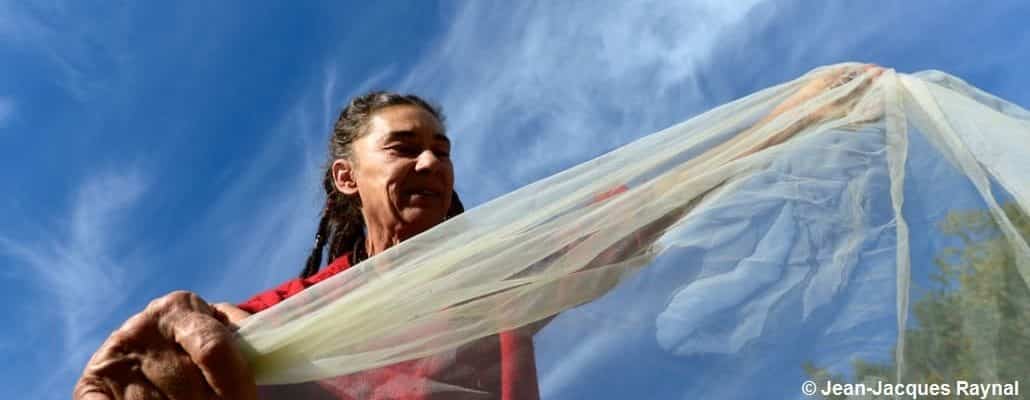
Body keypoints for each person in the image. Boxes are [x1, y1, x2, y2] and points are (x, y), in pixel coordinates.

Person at [73, 65, 884, 400]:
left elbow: (644, 209)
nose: (431, 161)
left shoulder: (491, 276)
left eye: (443, 149)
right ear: (346, 178)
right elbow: (203, 352)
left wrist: (786, 121)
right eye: (404, 146)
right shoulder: (291, 309)